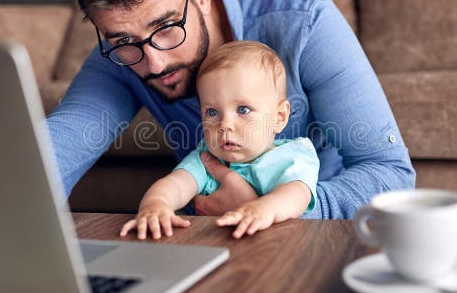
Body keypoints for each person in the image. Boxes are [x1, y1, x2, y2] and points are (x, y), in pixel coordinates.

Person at [46, 0, 415, 220]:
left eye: (166, 26)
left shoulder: (305, 22)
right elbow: (56, 151)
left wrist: (275, 210)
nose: (154, 63)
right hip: (206, 243)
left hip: (317, 236)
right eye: (123, 41)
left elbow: (389, 172)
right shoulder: (120, 54)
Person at [119, 41, 320, 240]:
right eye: (212, 112)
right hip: (215, 244)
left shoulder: (291, 157)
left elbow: (297, 194)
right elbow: (176, 185)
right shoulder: (206, 158)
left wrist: (263, 208)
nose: (225, 124)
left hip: (276, 247)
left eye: (243, 109)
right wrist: (156, 204)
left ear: (279, 117)